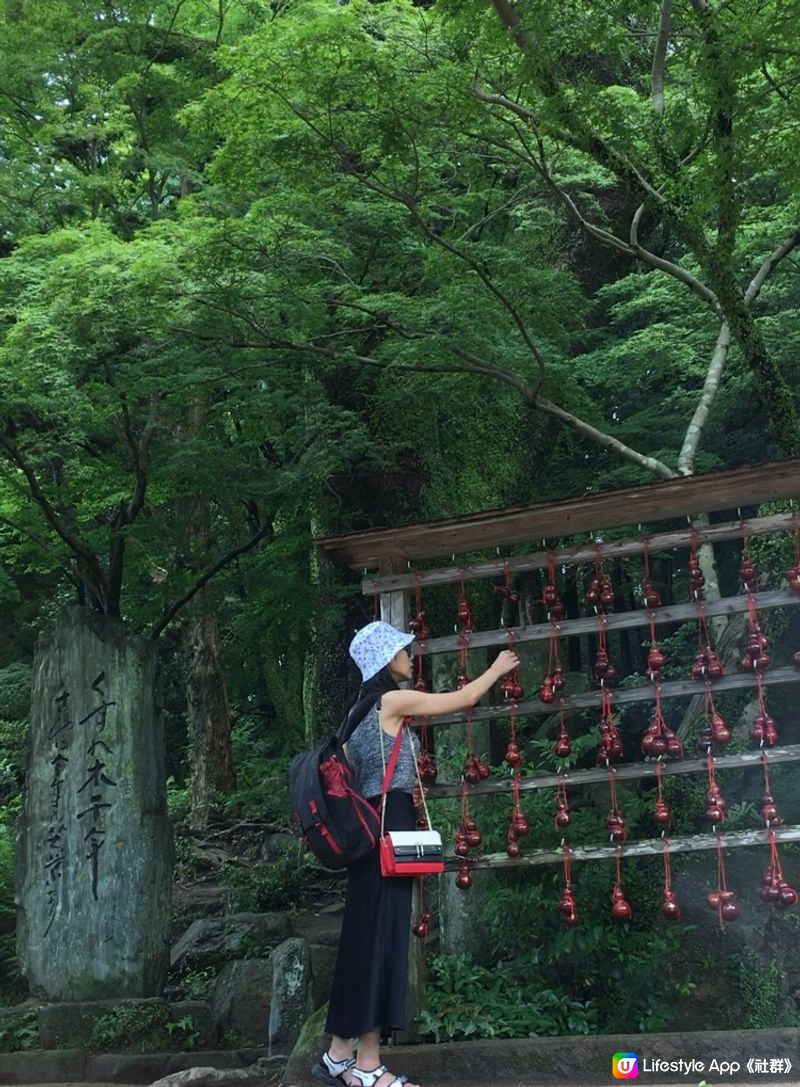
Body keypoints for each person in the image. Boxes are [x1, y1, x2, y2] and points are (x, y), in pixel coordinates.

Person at [313, 620, 520, 1087]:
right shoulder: (390, 701)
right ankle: (367, 1066)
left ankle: (339, 1054)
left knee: (363, 941)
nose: (411, 657)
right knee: (383, 942)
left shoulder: (354, 714)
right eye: (404, 650)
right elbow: (461, 701)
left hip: (367, 831)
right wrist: (497, 668)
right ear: (387, 660)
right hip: (391, 821)